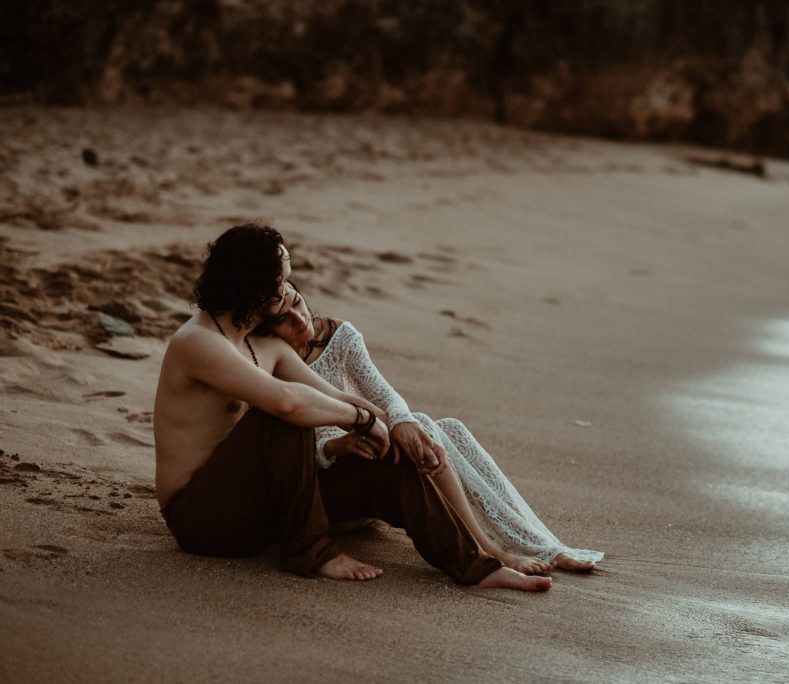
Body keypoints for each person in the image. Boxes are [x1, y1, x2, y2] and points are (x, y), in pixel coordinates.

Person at [153, 223, 550, 591]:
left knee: (385, 466)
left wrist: (392, 427)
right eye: (282, 278)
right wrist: (359, 419)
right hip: (203, 519)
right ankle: (311, 551)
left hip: (260, 509)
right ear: (257, 289)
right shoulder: (197, 342)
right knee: (283, 414)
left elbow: (335, 397)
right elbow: (287, 402)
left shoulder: (265, 345)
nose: (291, 285)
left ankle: (475, 565)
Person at [263, 281, 604, 575]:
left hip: (375, 464)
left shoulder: (340, 336)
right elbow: (284, 452)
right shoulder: (269, 360)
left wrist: (402, 421)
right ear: (265, 328)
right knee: (426, 425)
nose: (299, 318)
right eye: (283, 319)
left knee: (446, 428)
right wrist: (334, 447)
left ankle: (544, 544)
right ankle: (487, 550)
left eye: (297, 302)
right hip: (331, 491)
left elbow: (385, 395)